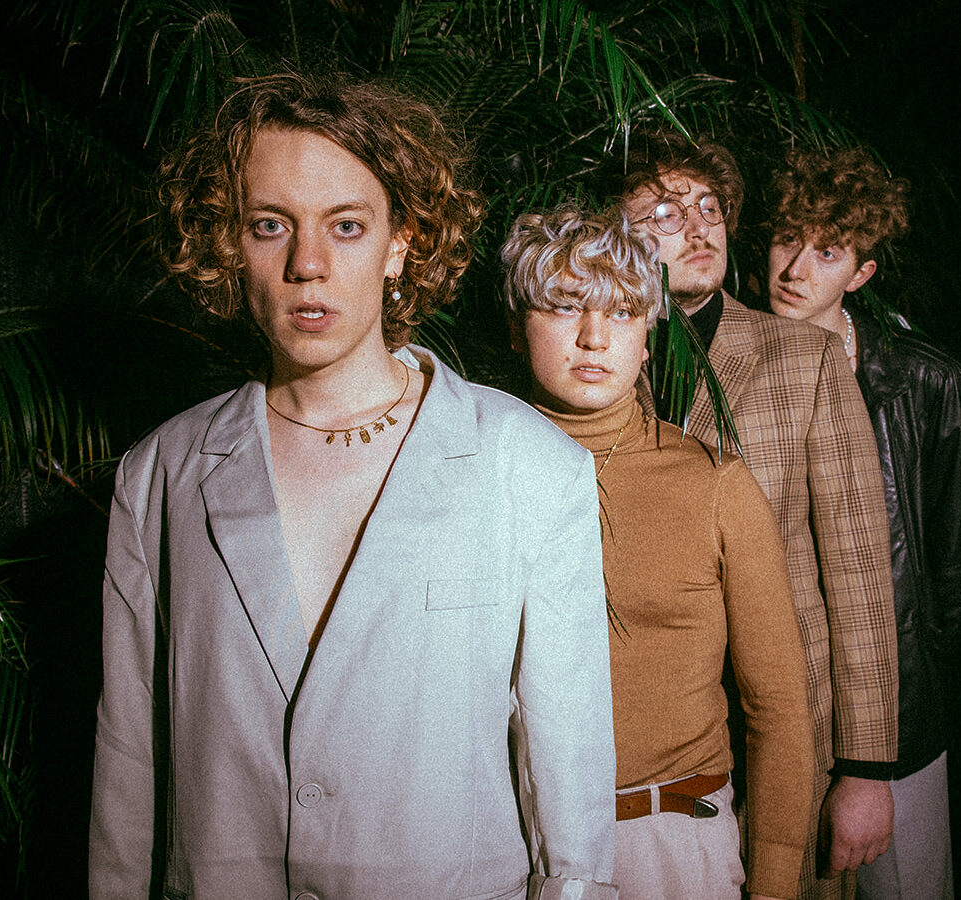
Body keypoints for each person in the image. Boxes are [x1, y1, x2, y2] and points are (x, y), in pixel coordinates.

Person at [88, 72, 617, 900]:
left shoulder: (530, 465)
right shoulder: (161, 473)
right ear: (229, 244)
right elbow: (128, 759)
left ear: (401, 242)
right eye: (270, 225)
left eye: (346, 226)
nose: (308, 264)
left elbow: (569, 772)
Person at [600, 129, 900, 900]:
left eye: (709, 208)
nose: (699, 228)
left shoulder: (803, 359)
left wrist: (866, 769)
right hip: (650, 758)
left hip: (790, 738)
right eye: (666, 213)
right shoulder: (590, 370)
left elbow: (862, 579)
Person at [501, 204, 816, 900]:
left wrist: (774, 882)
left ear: (649, 336)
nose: (593, 337)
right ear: (518, 329)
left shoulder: (714, 485)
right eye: (565, 306)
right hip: (507, 842)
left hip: (673, 840)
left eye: (620, 312)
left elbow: (780, 708)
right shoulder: (474, 475)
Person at [767, 146, 961, 900]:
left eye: (827, 252)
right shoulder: (727, 369)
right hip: (779, 705)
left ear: (860, 274)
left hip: (898, 711)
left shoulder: (925, 379)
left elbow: (951, 565)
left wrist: (911, 701)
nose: (796, 269)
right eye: (786, 239)